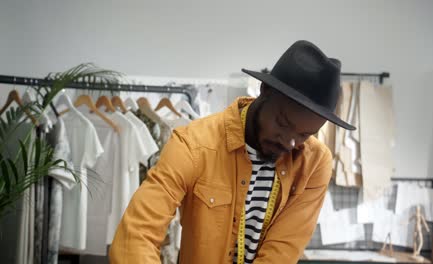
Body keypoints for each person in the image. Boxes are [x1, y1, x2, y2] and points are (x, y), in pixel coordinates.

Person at [109, 40, 355, 263]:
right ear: (264, 92)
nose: (290, 142)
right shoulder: (194, 144)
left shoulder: (315, 163)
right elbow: (136, 237)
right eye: (283, 123)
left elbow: (282, 251)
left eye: (304, 135)